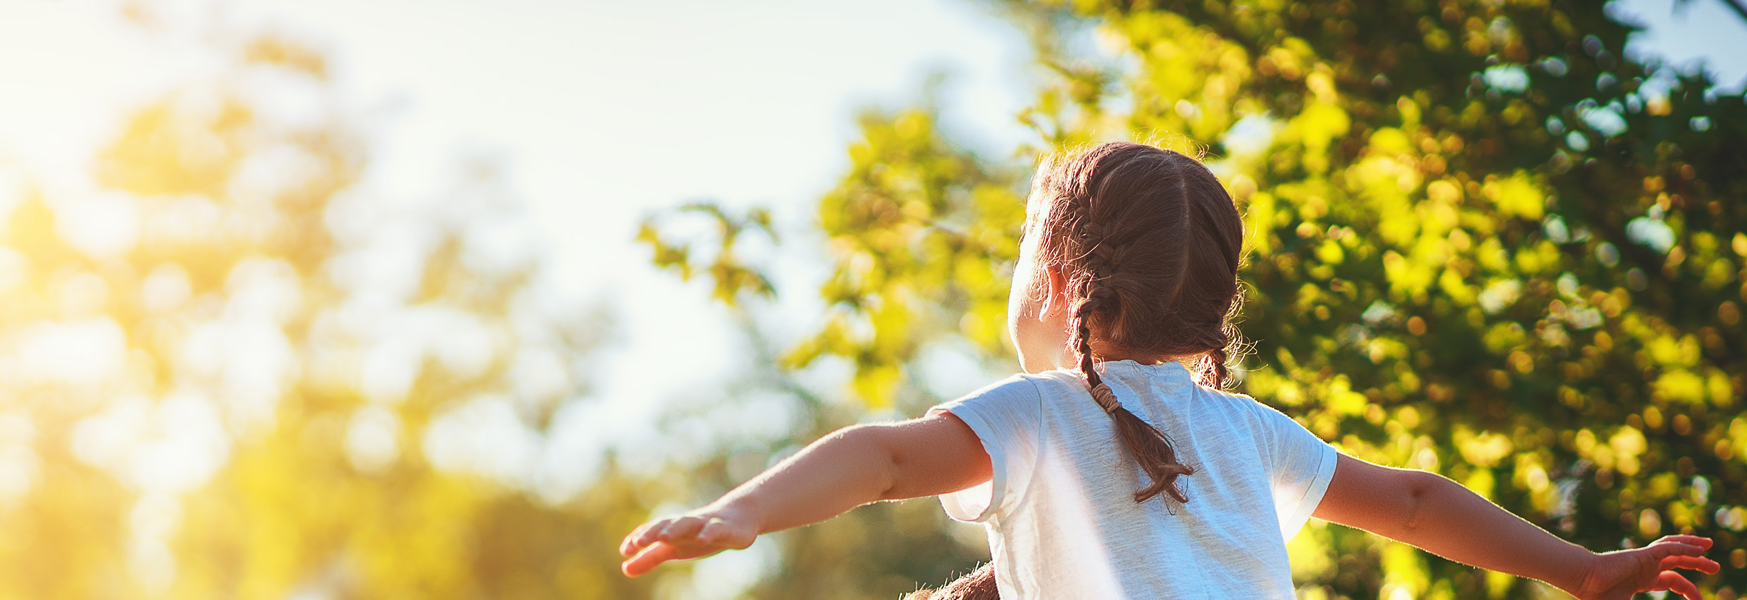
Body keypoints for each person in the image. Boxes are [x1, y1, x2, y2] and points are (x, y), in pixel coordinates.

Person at [617, 142, 1720, 599]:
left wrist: (737, 514)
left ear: (1054, 278)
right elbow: (1418, 499)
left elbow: (884, 453)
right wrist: (1579, 569)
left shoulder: (1033, 418)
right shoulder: (1244, 434)